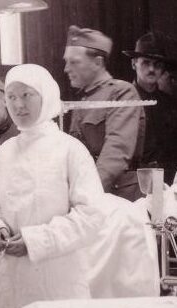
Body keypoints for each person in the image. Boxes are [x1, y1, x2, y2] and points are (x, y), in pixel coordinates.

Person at [0, 64, 105, 308]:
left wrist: (36, 240)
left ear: (45, 96)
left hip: (58, 276)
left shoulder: (70, 150)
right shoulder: (5, 152)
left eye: (27, 95)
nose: (18, 105)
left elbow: (91, 216)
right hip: (11, 278)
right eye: (11, 97)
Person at [64, 25, 145, 201]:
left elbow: (116, 152)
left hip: (120, 196)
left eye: (74, 62)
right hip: (91, 192)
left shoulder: (122, 93)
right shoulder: (84, 99)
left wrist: (86, 195)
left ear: (98, 62)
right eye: (66, 61)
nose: (66, 69)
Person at [123, 31, 177, 184]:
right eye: (146, 63)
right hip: (136, 184)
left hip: (169, 183)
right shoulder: (123, 101)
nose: (152, 69)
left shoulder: (171, 104)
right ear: (134, 63)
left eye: (157, 65)